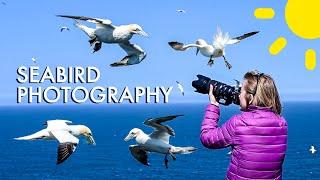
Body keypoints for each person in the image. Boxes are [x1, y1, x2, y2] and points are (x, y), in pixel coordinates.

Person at [200, 71, 288, 180]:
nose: (238, 94)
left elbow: (207, 138)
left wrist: (213, 105)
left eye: (241, 91)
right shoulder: (281, 123)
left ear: (250, 97)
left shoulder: (239, 123)